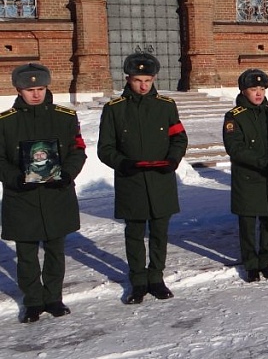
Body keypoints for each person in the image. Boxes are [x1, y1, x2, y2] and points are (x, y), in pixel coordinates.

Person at [98, 52, 188, 304]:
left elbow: (179, 137)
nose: (143, 85)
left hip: (160, 180)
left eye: (148, 80)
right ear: (128, 79)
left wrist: (172, 160)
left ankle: (156, 277)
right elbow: (105, 148)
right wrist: (123, 163)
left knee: (160, 232)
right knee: (134, 234)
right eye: (138, 80)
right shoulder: (114, 109)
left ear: (154, 78)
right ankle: (137, 280)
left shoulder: (165, 106)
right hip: (131, 181)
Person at [0, 63, 86, 323]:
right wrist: (15, 178)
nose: (35, 94)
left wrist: (68, 174)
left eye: (40, 88)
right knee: (26, 255)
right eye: (29, 89)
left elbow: (77, 150)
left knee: (55, 251)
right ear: (18, 90)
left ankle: (54, 298)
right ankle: (33, 302)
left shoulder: (65, 117)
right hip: (21, 198)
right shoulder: (5, 123)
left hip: (56, 194)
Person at [222, 69, 268, 281]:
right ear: (243, 91)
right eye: (253, 89)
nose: (259, 93)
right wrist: (264, 163)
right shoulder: (234, 117)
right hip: (247, 178)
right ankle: (251, 264)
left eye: (262, 89)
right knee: (247, 226)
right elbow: (235, 148)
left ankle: (266, 261)